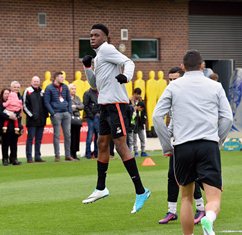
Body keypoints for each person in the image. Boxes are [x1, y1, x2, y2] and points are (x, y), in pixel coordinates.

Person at [153, 50, 233, 235]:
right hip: (208, 144)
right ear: (202, 65)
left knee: (186, 198)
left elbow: (157, 116)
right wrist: (217, 140)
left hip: (183, 146)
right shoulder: (215, 86)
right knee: (213, 198)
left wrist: (167, 145)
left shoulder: (173, 86)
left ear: (182, 66)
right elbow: (227, 118)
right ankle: (208, 218)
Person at [81, 23, 150, 213]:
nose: (92, 38)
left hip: (116, 105)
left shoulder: (108, 49)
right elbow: (94, 85)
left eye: (96, 35)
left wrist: (126, 77)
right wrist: (88, 67)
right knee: (102, 144)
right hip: (104, 105)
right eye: (91, 35)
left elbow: (129, 62)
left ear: (104, 37)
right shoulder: (99, 56)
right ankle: (101, 188)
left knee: (121, 146)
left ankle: (141, 191)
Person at [158, 66, 205, 225]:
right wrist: (168, 136)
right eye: (170, 80)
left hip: (193, 141)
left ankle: (201, 208)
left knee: (191, 175)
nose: (172, 82)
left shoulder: (190, 95)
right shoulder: (171, 95)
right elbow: (173, 121)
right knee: (172, 175)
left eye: (175, 79)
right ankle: (171, 211)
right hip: (178, 143)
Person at [44, 71, 74, 162]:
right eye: (61, 77)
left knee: (68, 135)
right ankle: (57, 155)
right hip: (56, 114)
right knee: (57, 135)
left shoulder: (65, 87)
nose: (63, 78)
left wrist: (69, 111)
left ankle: (67, 155)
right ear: (56, 77)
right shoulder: (49, 88)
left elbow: (69, 99)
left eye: (63, 77)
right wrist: (53, 113)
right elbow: (46, 102)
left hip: (66, 113)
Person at [23, 76, 48, 163]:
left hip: (41, 120)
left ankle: (37, 156)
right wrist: (31, 115)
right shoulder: (28, 91)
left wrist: (45, 115)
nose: (36, 83)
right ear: (31, 81)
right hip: (32, 121)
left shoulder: (42, 91)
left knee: (39, 139)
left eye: (37, 81)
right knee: (30, 139)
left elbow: (46, 104)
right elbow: (24, 105)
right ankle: (29, 157)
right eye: (34, 81)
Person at [0, 88, 22, 166]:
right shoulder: (1, 103)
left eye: (8, 94)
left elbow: (18, 110)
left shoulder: (14, 102)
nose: (7, 95)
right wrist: (9, 116)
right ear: (2, 95)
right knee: (5, 143)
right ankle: (5, 159)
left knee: (14, 143)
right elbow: (1, 113)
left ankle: (14, 159)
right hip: (4, 127)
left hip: (14, 126)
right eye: (5, 94)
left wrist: (15, 115)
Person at [130, 88, 148, 157]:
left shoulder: (141, 101)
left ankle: (143, 151)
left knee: (142, 137)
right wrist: (133, 103)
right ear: (134, 93)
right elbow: (132, 110)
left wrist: (141, 101)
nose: (138, 95)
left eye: (139, 94)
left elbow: (143, 109)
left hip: (140, 122)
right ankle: (136, 152)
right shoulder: (130, 101)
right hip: (133, 121)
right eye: (137, 94)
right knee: (134, 138)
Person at [83, 87, 100, 159]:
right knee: (90, 136)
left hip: (98, 117)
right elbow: (85, 106)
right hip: (91, 118)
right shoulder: (87, 93)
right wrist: (92, 116)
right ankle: (88, 153)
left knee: (97, 136)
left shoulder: (99, 93)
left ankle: (96, 153)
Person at [69, 83, 84, 160]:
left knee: (77, 137)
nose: (74, 90)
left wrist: (75, 106)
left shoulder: (77, 98)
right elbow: (69, 107)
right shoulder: (67, 98)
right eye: (72, 89)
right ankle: (70, 153)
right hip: (70, 120)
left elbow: (82, 106)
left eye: (74, 89)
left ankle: (75, 153)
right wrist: (76, 108)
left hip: (77, 119)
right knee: (71, 136)